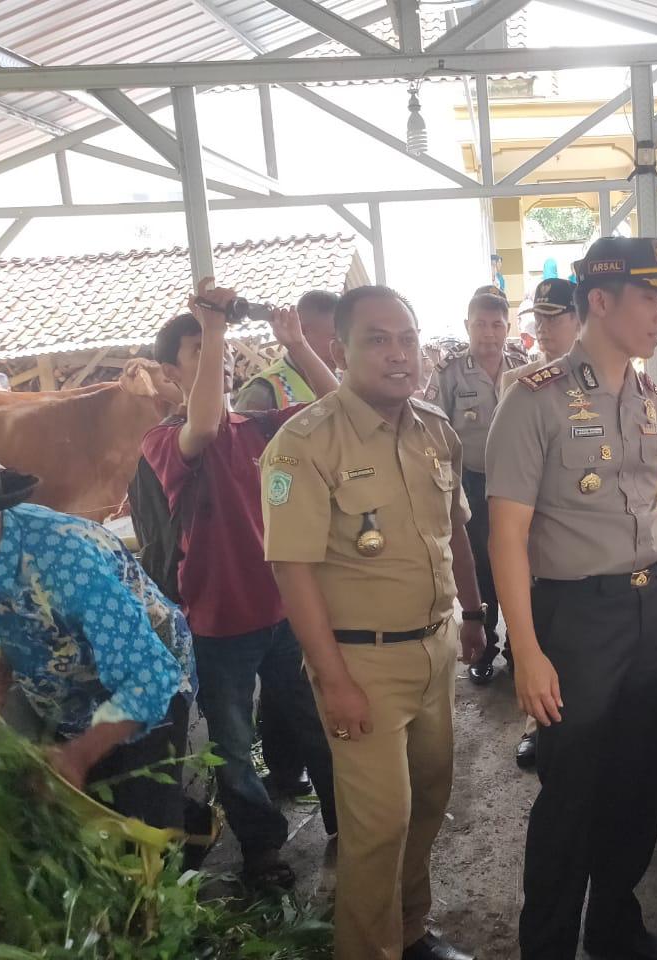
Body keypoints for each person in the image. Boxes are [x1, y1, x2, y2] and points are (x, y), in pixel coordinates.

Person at [486, 236, 657, 960]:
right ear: (599, 302)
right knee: (571, 795)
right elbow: (506, 536)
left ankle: (614, 930)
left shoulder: (644, 395)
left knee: (638, 785)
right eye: (650, 298)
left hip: (645, 614)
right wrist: (528, 653)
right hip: (575, 620)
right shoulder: (533, 400)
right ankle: (546, 947)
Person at [261, 285, 485, 960]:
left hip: (436, 648)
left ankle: (411, 929)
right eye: (377, 340)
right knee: (378, 823)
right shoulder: (301, 445)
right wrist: (333, 681)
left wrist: (474, 615)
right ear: (340, 351)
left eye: (407, 338)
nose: (397, 354)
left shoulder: (433, 429)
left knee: (429, 800)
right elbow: (290, 570)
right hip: (360, 663)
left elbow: (456, 531)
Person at [141, 283, 340, 889]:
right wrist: (216, 324)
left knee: (317, 723)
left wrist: (298, 344)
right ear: (171, 372)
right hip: (217, 623)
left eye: (219, 349)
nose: (215, 356)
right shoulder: (164, 441)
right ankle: (261, 848)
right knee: (231, 745)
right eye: (196, 351)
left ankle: (349, 825)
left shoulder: (258, 429)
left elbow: (341, 405)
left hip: (282, 613)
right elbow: (203, 422)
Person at [0, 429, 195, 830]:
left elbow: (151, 676)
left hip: (144, 688)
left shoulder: (66, 561)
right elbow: (17, 610)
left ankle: (184, 831)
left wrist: (77, 755)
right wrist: (2, 670)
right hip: (73, 689)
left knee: (143, 827)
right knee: (96, 809)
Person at [234, 288, 340, 800]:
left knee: (300, 665)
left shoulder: (335, 382)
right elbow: (243, 470)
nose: (338, 347)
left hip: (329, 540)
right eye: (331, 336)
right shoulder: (267, 390)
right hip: (284, 544)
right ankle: (283, 765)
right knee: (290, 670)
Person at [499, 277, 582, 772]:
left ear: (580, 319)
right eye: (539, 318)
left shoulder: (619, 381)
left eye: (555, 318)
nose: (544, 328)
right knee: (531, 632)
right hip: (534, 534)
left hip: (586, 543)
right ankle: (535, 725)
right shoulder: (519, 385)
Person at [423, 292, 521, 685]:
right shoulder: (448, 373)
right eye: (480, 324)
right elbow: (432, 428)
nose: (489, 333)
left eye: (497, 325)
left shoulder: (522, 367)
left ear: (507, 328)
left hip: (515, 484)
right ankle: (484, 648)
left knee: (518, 563)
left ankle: (519, 647)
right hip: (471, 483)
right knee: (478, 565)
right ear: (467, 326)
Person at [236, 290, 340, 412]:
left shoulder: (346, 381)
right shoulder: (262, 390)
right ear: (301, 331)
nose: (343, 347)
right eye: (335, 338)